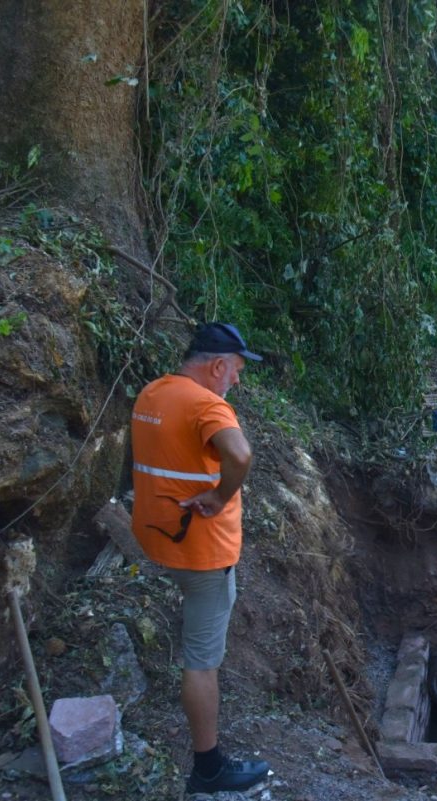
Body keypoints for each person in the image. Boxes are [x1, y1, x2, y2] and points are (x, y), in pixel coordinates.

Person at [130, 322, 270, 794]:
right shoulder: (207, 403)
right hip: (200, 552)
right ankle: (208, 768)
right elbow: (241, 455)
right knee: (201, 660)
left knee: (197, 644)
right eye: (235, 371)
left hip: (158, 538)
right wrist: (219, 494)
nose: (237, 381)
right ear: (216, 365)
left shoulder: (152, 393)